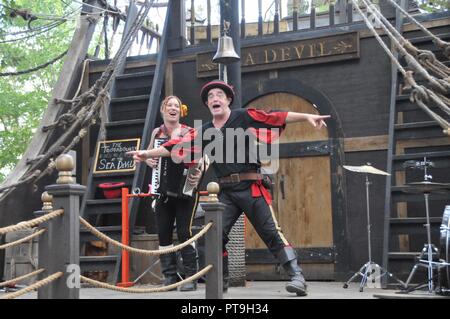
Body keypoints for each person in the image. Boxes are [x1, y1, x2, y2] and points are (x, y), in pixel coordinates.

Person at [128, 81, 330, 296]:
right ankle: (220, 281)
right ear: (207, 104)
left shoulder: (243, 116)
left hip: (251, 188)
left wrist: (307, 117)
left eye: (219, 95)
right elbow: (174, 147)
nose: (215, 98)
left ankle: (297, 276)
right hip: (225, 193)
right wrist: (146, 154)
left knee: (270, 232)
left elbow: (275, 117)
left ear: (228, 100)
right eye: (211, 96)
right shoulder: (204, 131)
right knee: (215, 236)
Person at [146, 96, 203, 291]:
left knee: (184, 232)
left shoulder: (189, 132)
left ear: (181, 110)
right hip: (162, 190)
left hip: (186, 189)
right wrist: (148, 161)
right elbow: (149, 153)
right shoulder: (157, 132)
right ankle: (170, 276)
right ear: (162, 109)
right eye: (169, 105)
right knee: (163, 234)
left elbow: (204, 157)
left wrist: (199, 172)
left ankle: (190, 276)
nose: (173, 108)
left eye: (176, 106)